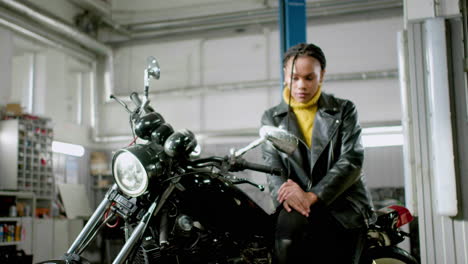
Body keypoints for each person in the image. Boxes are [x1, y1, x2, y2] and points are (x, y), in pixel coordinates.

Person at [261, 43, 376, 263]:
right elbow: (273, 166)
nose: (301, 85)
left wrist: (312, 195)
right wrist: (288, 195)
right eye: (294, 78)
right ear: (285, 76)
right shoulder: (272, 118)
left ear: (321, 75)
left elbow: (351, 160)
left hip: (343, 203)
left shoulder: (344, 110)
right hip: (296, 203)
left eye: (309, 78)